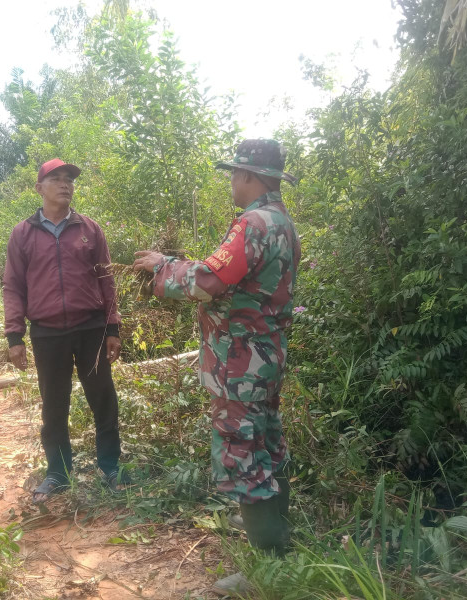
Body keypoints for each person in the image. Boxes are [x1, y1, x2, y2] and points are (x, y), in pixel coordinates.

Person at [133, 139, 301, 595]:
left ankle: (268, 567)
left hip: (239, 364)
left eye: (234, 174)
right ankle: (279, 541)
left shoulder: (252, 224)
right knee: (267, 444)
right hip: (266, 361)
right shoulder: (284, 224)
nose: (231, 182)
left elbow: (207, 280)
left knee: (245, 454)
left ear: (249, 176)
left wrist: (163, 266)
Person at [3, 158, 127, 504]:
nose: (65, 184)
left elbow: (106, 279)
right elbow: (13, 286)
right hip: (47, 333)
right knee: (54, 405)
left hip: (91, 329)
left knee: (103, 398)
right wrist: (15, 336)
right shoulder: (23, 233)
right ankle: (57, 472)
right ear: (39, 188)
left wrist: (112, 327)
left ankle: (111, 466)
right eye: (56, 179)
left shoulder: (90, 228)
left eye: (69, 179)